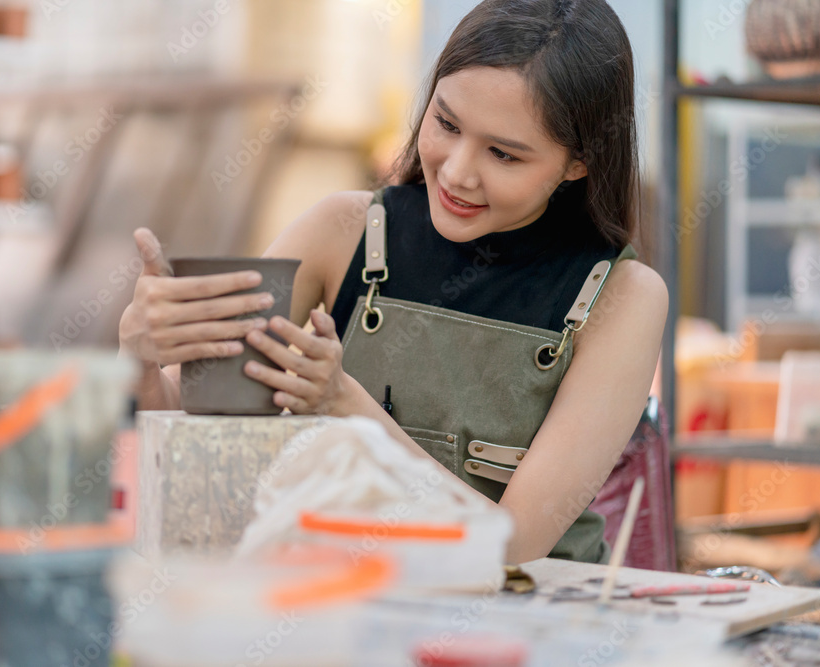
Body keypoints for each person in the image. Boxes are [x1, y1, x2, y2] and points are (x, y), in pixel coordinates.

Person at [119, 0, 668, 565]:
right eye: (446, 124)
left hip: (532, 625)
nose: (456, 171)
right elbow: (185, 437)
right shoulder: (340, 231)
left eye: (503, 154)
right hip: (348, 609)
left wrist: (345, 405)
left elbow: (513, 547)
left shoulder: (622, 297)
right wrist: (137, 358)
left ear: (579, 162)